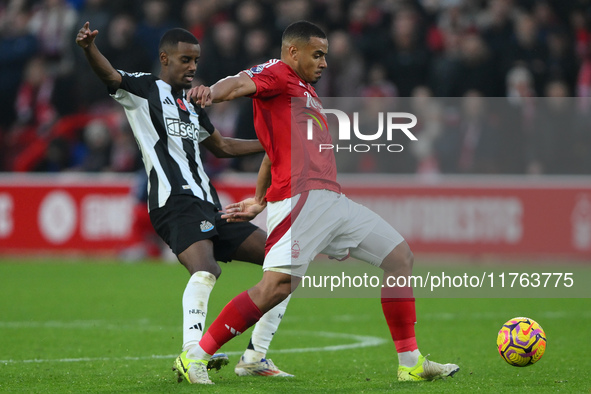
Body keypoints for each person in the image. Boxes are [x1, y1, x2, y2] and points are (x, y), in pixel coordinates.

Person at [185, 20, 460, 385]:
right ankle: (196, 356)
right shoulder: (276, 72)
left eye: (326, 55)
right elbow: (237, 83)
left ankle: (410, 362)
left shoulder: (304, 92)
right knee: (276, 287)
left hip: (331, 199)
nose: (324, 63)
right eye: (317, 54)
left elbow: (272, 153)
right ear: (293, 52)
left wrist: (257, 200)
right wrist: (211, 93)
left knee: (399, 257)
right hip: (301, 199)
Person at [75, 22, 293, 383]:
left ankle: (255, 356)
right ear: (165, 59)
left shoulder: (193, 104)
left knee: (285, 266)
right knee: (206, 270)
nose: (193, 67)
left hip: (209, 204)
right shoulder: (144, 88)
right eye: (185, 60)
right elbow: (110, 76)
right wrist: (89, 49)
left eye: (196, 60)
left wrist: (273, 144)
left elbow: (222, 147)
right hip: (173, 202)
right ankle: (193, 354)